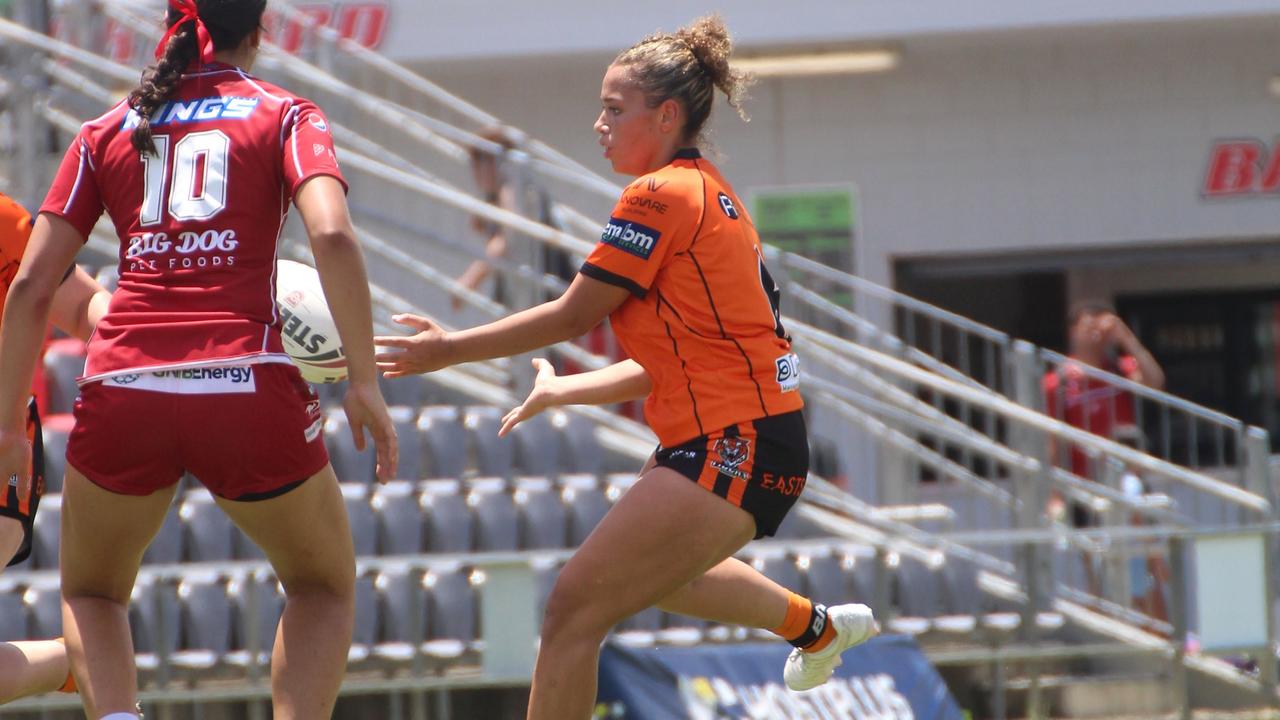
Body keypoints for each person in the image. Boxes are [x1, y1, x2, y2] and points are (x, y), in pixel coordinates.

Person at [377, 16, 876, 719]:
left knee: (572, 614)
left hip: (739, 436)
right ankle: (816, 629)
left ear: (666, 115)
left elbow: (571, 315)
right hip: (747, 431)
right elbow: (674, 360)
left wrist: (449, 348)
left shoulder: (660, 195)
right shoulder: (711, 193)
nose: (598, 124)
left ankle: (815, 629)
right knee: (661, 583)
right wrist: (563, 390)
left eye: (615, 109)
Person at [0, 2, 397, 718]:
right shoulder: (285, 114)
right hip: (245, 377)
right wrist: (363, 380)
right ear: (258, 33)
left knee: (92, 591)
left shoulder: (104, 130)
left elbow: (29, 286)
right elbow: (333, 238)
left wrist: (4, 431)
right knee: (321, 585)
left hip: (123, 381)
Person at [0, 192, 110, 703]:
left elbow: (87, 307)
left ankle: (87, 662)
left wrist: (153, 341)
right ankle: (83, 661)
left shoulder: (3, 222)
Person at [1044, 302, 1165, 526]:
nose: (1095, 334)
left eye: (1100, 328)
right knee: (1095, 551)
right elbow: (1054, 441)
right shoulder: (1058, 382)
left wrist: (1127, 339)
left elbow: (1154, 381)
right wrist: (1056, 494)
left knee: (1151, 546)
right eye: (1089, 326)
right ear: (1073, 331)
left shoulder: (1119, 369)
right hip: (1085, 481)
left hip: (1128, 474)